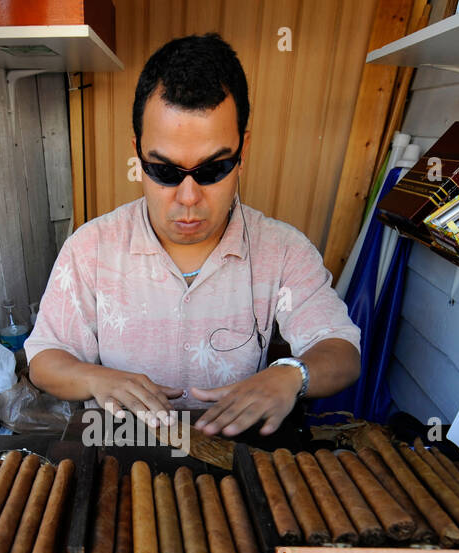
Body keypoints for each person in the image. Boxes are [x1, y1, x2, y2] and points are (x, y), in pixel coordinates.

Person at [25, 33, 360, 438]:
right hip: (121, 449)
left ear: (242, 151)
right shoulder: (92, 247)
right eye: (165, 171)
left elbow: (341, 350)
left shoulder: (283, 251)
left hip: (232, 456)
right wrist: (98, 379)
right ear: (138, 152)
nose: (188, 198)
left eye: (213, 170)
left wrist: (291, 376)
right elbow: (44, 357)